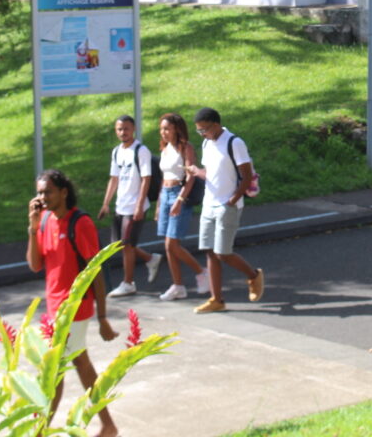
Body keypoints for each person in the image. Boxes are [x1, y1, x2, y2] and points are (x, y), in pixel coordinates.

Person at [26, 169, 122, 437]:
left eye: (48, 192)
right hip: (54, 307)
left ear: (63, 192)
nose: (42, 197)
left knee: (54, 371)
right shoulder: (44, 220)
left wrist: (103, 317)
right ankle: (107, 425)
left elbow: (96, 272)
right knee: (80, 364)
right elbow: (34, 265)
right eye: (40, 192)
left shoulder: (80, 223)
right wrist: (32, 228)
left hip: (76, 307)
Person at [185, 107, 264, 313]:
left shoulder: (234, 143)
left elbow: (246, 175)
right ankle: (216, 299)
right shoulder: (207, 143)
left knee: (223, 253)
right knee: (210, 252)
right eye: (199, 131)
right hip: (208, 203)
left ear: (216, 124)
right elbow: (211, 173)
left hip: (227, 205)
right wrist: (196, 171)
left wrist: (232, 200)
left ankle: (254, 276)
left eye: (205, 129)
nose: (203, 134)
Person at [98, 115, 161, 297]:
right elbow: (114, 178)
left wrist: (139, 205)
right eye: (119, 129)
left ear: (133, 129)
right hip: (121, 205)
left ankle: (128, 283)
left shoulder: (141, 151)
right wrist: (106, 204)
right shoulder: (117, 151)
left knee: (127, 245)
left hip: (134, 205)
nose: (123, 132)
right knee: (118, 244)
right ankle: (150, 259)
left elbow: (146, 178)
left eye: (126, 128)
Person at [154, 112, 210, 300]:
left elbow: (190, 176)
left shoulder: (185, 148)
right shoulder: (165, 148)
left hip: (179, 195)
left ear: (177, 129)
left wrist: (179, 200)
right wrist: (159, 203)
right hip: (166, 194)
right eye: (161, 129)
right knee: (168, 246)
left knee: (173, 243)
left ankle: (201, 272)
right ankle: (178, 285)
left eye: (167, 128)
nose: (163, 132)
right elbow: (164, 178)